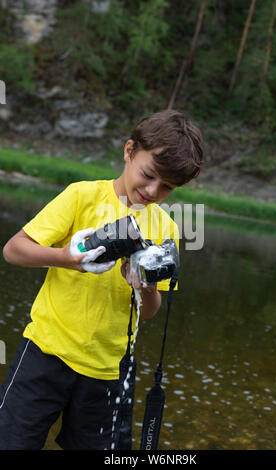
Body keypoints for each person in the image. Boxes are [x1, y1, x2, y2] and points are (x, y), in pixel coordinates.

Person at [0, 109, 204, 450]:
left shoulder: (166, 229)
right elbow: (14, 250)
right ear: (128, 151)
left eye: (167, 187)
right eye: (149, 175)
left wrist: (145, 285)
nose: (153, 191)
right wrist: (67, 258)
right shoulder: (82, 196)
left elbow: (150, 310)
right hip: (45, 353)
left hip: (108, 372)